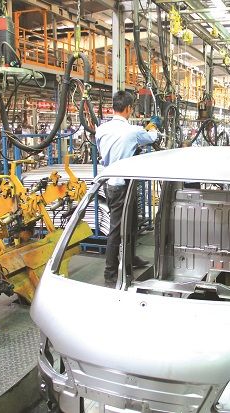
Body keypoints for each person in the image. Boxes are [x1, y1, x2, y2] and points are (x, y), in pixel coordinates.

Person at [95, 90, 160, 286]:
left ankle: (131, 258)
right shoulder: (133, 131)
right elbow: (152, 137)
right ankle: (110, 273)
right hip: (121, 186)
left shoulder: (101, 129)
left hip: (110, 183)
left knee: (131, 224)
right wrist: (153, 125)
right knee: (116, 230)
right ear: (129, 108)